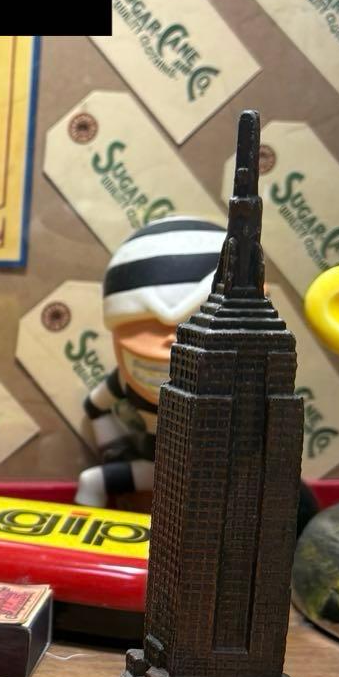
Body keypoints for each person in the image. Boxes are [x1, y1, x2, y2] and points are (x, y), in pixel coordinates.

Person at [75, 216, 227, 507]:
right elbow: (94, 406)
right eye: (144, 328)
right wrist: (114, 449)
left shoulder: (242, 386)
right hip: (155, 468)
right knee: (92, 482)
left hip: (218, 474)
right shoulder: (126, 379)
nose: (168, 342)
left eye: (189, 325)